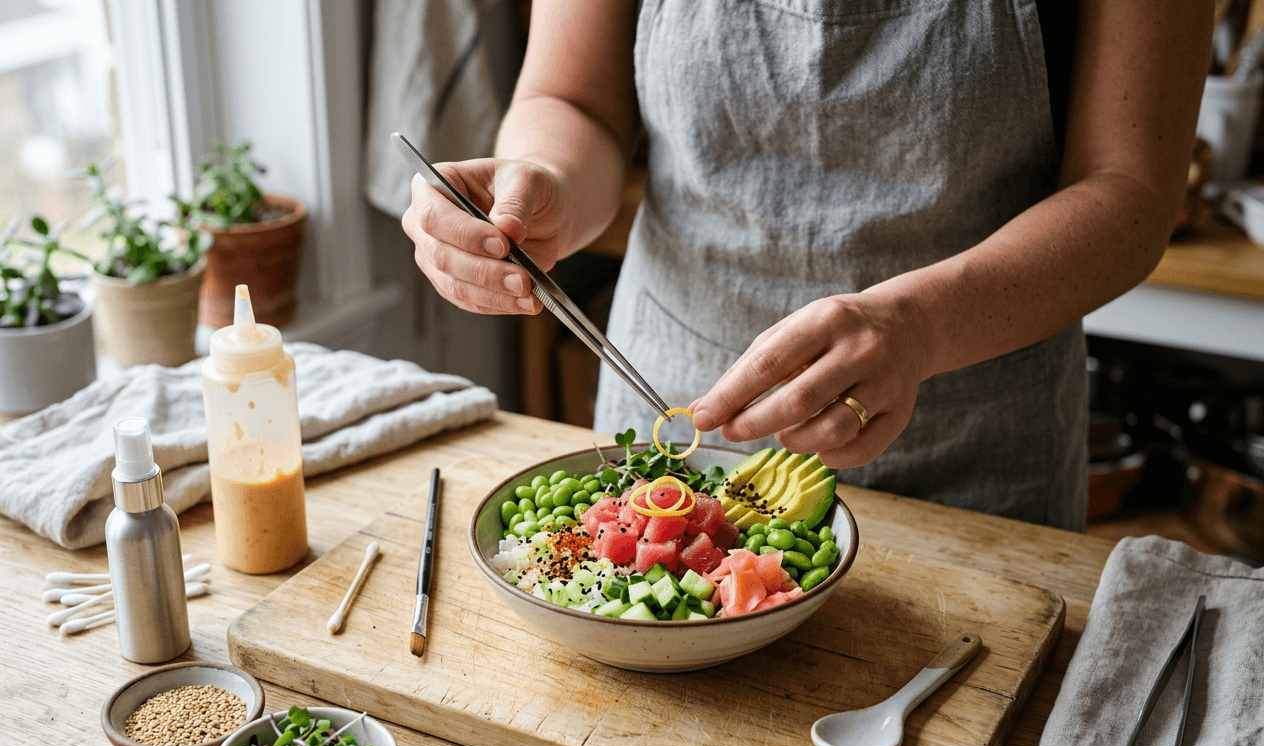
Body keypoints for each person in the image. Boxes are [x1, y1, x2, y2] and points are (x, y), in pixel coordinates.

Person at [401, 0, 1213, 532]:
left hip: (975, 447)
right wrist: (544, 187)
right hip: (679, 406)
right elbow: (572, 100)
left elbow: (1133, 188)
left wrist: (920, 327)